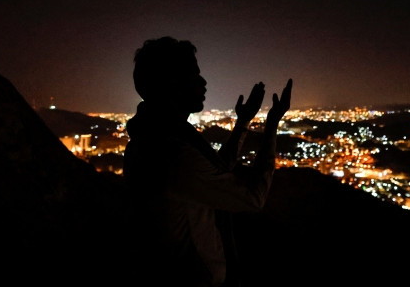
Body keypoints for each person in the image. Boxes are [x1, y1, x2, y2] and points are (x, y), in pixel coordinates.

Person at [123, 36, 292, 286]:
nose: (203, 82)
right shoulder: (175, 156)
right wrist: (271, 127)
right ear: (173, 83)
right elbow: (252, 198)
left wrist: (243, 123)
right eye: (194, 74)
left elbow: (215, 170)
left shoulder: (148, 140)